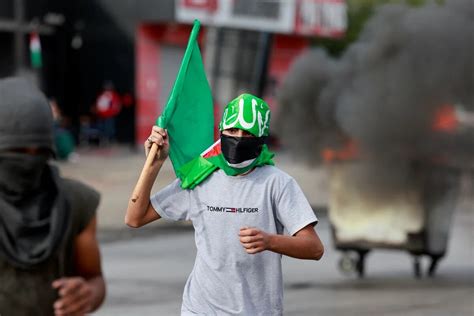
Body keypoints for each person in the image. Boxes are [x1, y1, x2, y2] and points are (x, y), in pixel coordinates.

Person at [126, 93, 324, 315]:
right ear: (221, 131)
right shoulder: (200, 176)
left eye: (247, 133)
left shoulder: (277, 183)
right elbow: (135, 217)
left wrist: (270, 241)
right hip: (200, 308)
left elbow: (314, 248)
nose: (238, 138)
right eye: (232, 131)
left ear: (261, 138)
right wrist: (154, 164)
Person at [0, 77, 106, 315]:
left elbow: (94, 278)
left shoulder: (75, 201)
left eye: (40, 151)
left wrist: (86, 294)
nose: (28, 161)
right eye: (15, 152)